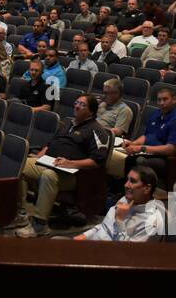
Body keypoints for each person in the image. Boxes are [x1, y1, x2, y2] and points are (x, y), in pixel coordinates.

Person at [15, 94, 111, 237]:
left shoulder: (97, 131)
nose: (77, 106)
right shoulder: (68, 123)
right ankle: (21, 212)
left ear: (91, 111)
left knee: (48, 176)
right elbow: (52, 143)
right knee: (19, 164)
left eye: (83, 105)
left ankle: (39, 225)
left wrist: (70, 163)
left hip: (73, 175)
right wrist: (41, 153)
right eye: (76, 102)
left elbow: (97, 161)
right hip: (50, 162)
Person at [112, 84, 176, 186]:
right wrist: (133, 143)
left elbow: (171, 149)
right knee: (117, 152)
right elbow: (147, 136)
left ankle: (128, 190)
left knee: (135, 160)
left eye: (165, 99)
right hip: (149, 151)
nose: (161, 103)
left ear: (175, 100)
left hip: (167, 159)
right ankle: (116, 187)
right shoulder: (156, 114)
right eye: (159, 100)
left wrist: (141, 148)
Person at [75, 165, 168, 242]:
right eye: (127, 180)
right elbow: (104, 226)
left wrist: (119, 221)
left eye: (133, 181)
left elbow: (129, 254)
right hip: (92, 246)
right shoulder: (125, 199)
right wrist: (84, 236)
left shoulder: (152, 222)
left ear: (147, 189)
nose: (126, 185)